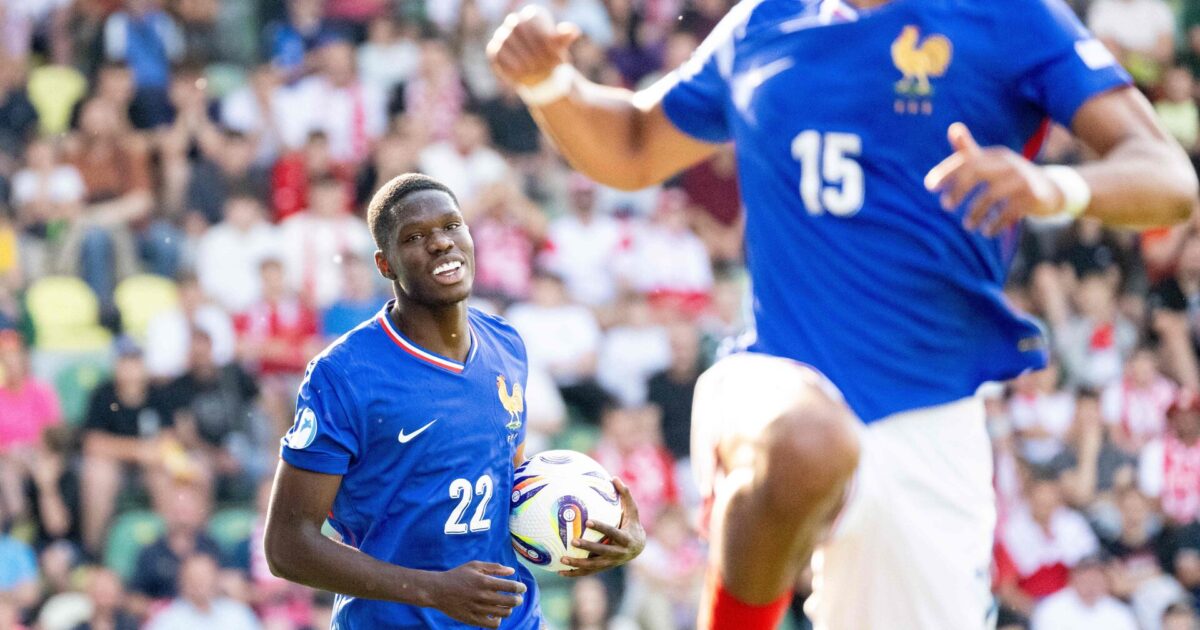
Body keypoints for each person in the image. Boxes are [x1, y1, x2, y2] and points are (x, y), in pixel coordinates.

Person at [487, 2, 1198, 629]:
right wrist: (549, 83)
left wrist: (1051, 186)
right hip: (774, 376)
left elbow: (1168, 178)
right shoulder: (764, 21)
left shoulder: (1009, 16)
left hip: (930, 420)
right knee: (809, 441)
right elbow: (635, 146)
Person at [262, 173, 646, 628]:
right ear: (385, 265)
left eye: (451, 225)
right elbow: (287, 546)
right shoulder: (343, 374)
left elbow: (508, 486)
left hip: (512, 619)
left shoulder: (505, 343)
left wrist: (599, 531)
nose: (441, 242)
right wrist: (433, 591)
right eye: (415, 237)